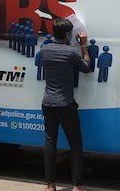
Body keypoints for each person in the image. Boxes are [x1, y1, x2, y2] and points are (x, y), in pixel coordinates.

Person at [40, 18, 90, 191]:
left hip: (47, 102)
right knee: (75, 143)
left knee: (50, 142)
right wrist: (83, 45)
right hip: (66, 103)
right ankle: (77, 185)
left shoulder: (45, 50)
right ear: (68, 34)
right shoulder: (70, 52)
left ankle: (50, 185)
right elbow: (86, 67)